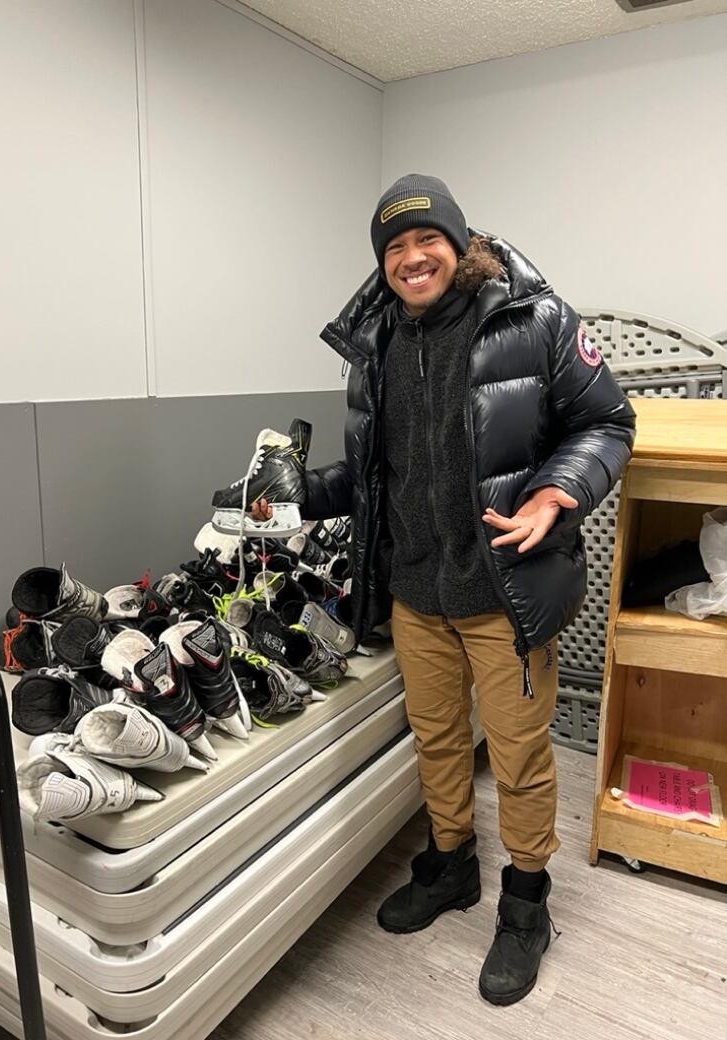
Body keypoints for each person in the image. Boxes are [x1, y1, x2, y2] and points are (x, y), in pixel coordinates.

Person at [251, 174, 636, 1006]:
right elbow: (368, 475)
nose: (411, 257)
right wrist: (287, 496)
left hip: (503, 588)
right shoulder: (377, 341)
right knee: (435, 740)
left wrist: (553, 491)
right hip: (416, 588)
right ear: (383, 265)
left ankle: (526, 904)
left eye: (426, 240)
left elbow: (608, 421)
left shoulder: (533, 319)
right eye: (393, 248)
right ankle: (451, 866)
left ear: (457, 245)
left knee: (523, 755)